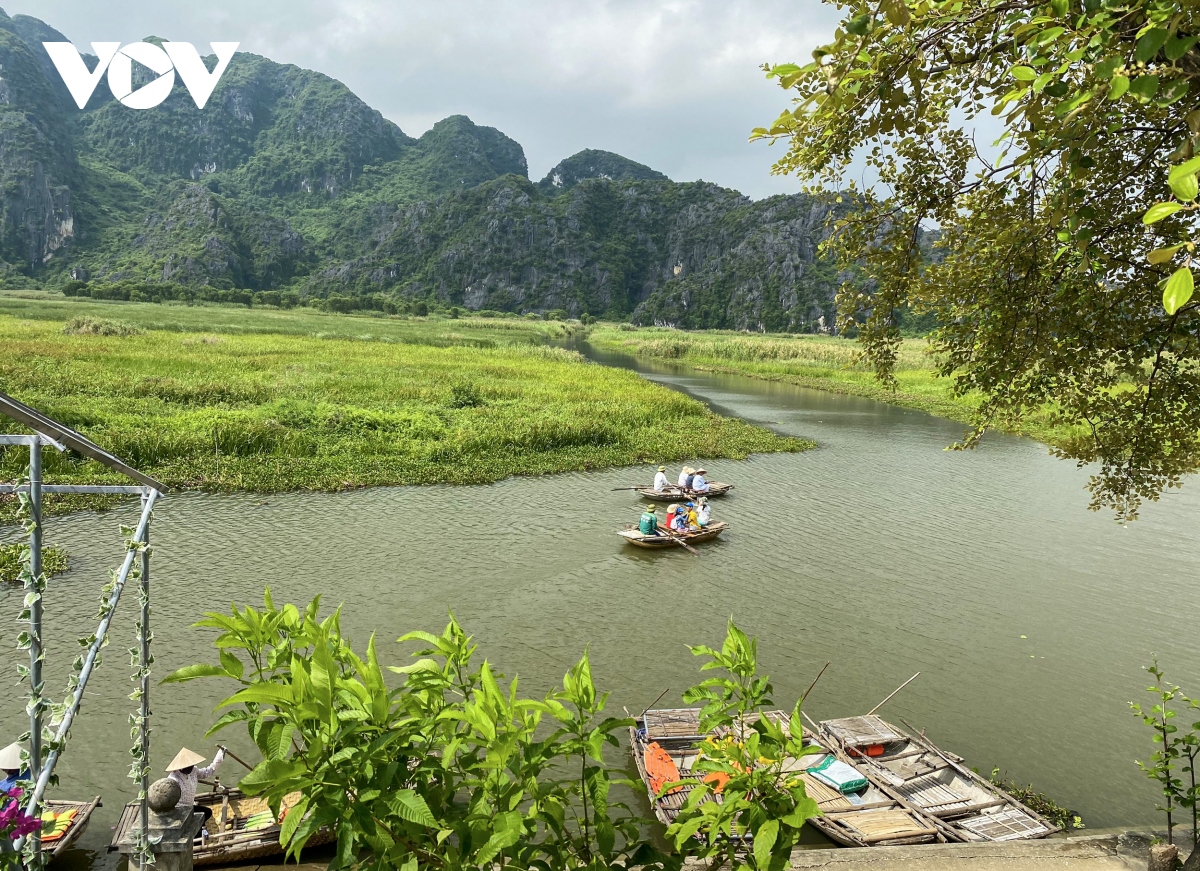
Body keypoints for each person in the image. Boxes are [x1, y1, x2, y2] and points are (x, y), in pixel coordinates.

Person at [166, 746, 225, 829]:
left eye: (191, 766)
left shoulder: (194, 771)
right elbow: (168, 800)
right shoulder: (173, 780)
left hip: (190, 807)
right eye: (186, 767)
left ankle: (196, 825)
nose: (189, 768)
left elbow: (208, 772)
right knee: (195, 830)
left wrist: (219, 757)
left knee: (207, 812)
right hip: (179, 811)